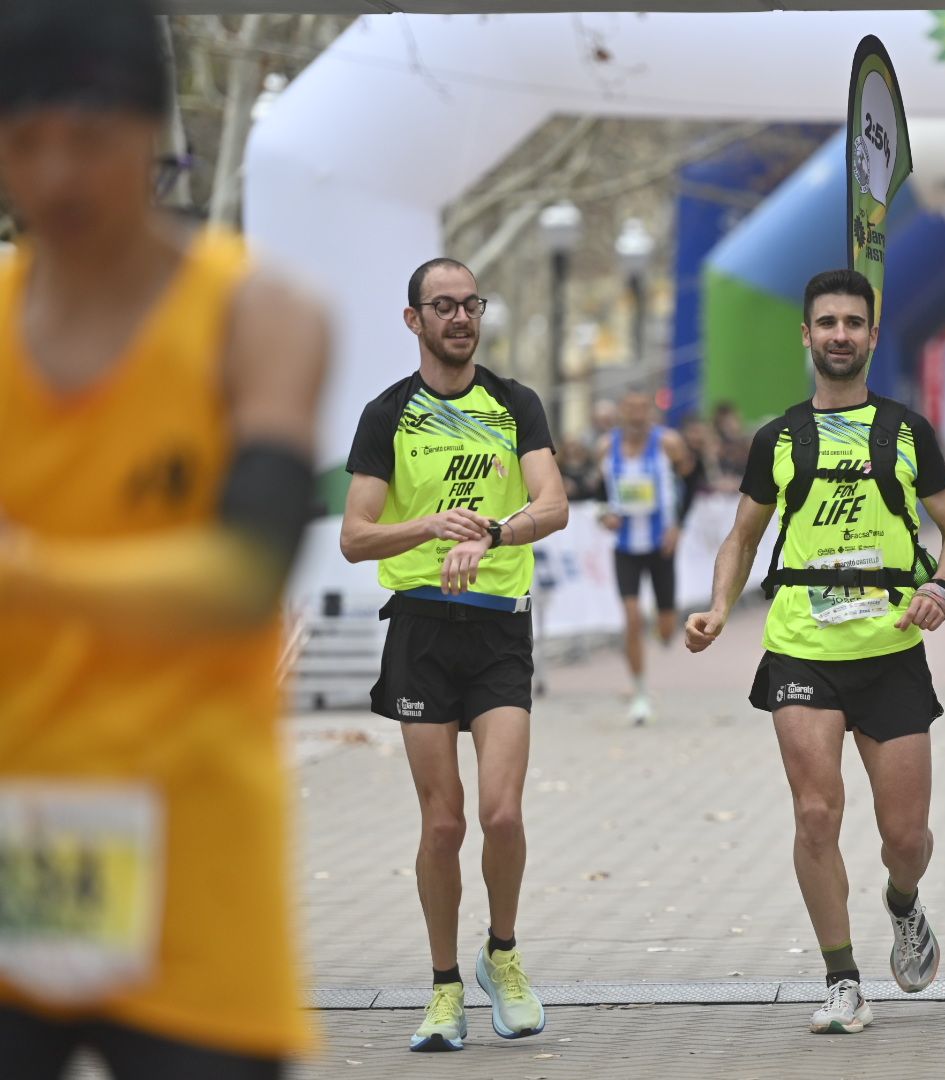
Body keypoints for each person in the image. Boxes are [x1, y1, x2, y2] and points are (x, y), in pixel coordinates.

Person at [0, 0, 328, 1075]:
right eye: (23, 141)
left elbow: (244, 572)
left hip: (193, 860)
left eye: (88, 139)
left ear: (157, 134)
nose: (55, 177)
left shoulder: (259, 316)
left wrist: (28, 571)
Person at [686, 268, 945, 1034]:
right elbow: (742, 537)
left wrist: (940, 587)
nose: (840, 334)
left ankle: (903, 902)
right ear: (806, 335)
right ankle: (842, 978)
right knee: (816, 815)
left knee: (905, 838)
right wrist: (718, 608)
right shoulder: (776, 438)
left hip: (891, 648)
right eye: (827, 323)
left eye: (854, 322)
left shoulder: (909, 432)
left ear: (873, 336)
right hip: (801, 647)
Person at [340, 257, 568, 1052]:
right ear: (414, 321)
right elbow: (355, 536)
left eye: (472, 304)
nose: (461, 317)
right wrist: (430, 526)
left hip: (500, 626)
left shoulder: (514, 404)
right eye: (443, 306)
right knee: (444, 825)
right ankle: (442, 989)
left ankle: (501, 954)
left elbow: (554, 504)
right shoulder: (387, 414)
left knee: (501, 813)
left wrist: (496, 532)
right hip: (421, 631)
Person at [597, 390, 694, 725]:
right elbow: (596, 492)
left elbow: (691, 481)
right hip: (625, 546)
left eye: (642, 408)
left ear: (650, 411)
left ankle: (662, 624)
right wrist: (602, 514)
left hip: (660, 544)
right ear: (622, 412)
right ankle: (639, 694)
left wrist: (678, 526)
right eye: (630, 408)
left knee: (666, 630)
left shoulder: (668, 443)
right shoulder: (606, 447)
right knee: (631, 616)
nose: (637, 414)